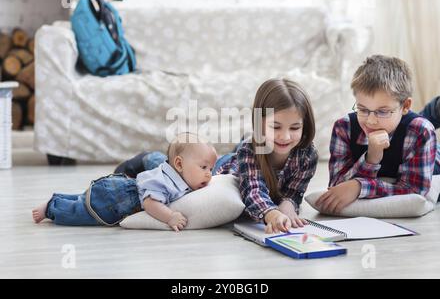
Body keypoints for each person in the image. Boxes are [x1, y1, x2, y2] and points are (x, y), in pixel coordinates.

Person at [116, 79, 319, 234]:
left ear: (305, 125)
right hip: (222, 168)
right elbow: (253, 190)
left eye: (295, 127)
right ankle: (149, 157)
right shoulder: (250, 150)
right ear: (259, 122)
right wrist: (271, 213)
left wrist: (289, 205)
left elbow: (294, 191)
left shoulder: (308, 155)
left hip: (236, 160)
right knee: (177, 171)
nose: (285, 136)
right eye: (275, 127)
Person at [316, 55, 440, 214]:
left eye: (382, 111)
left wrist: (360, 186)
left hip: (431, 155)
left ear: (406, 105)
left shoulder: (421, 131)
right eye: (363, 109)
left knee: (421, 122)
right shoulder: (344, 127)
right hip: (400, 124)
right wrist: (371, 158)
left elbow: (414, 190)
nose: (371, 121)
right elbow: (337, 186)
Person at [32, 133, 217, 231]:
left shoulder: (176, 176)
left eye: (210, 169)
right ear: (179, 163)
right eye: (203, 168)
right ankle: (51, 208)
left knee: (85, 201)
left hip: (117, 189)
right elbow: (150, 203)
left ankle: (56, 198)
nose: (209, 175)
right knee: (79, 213)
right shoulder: (167, 181)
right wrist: (170, 217)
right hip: (115, 201)